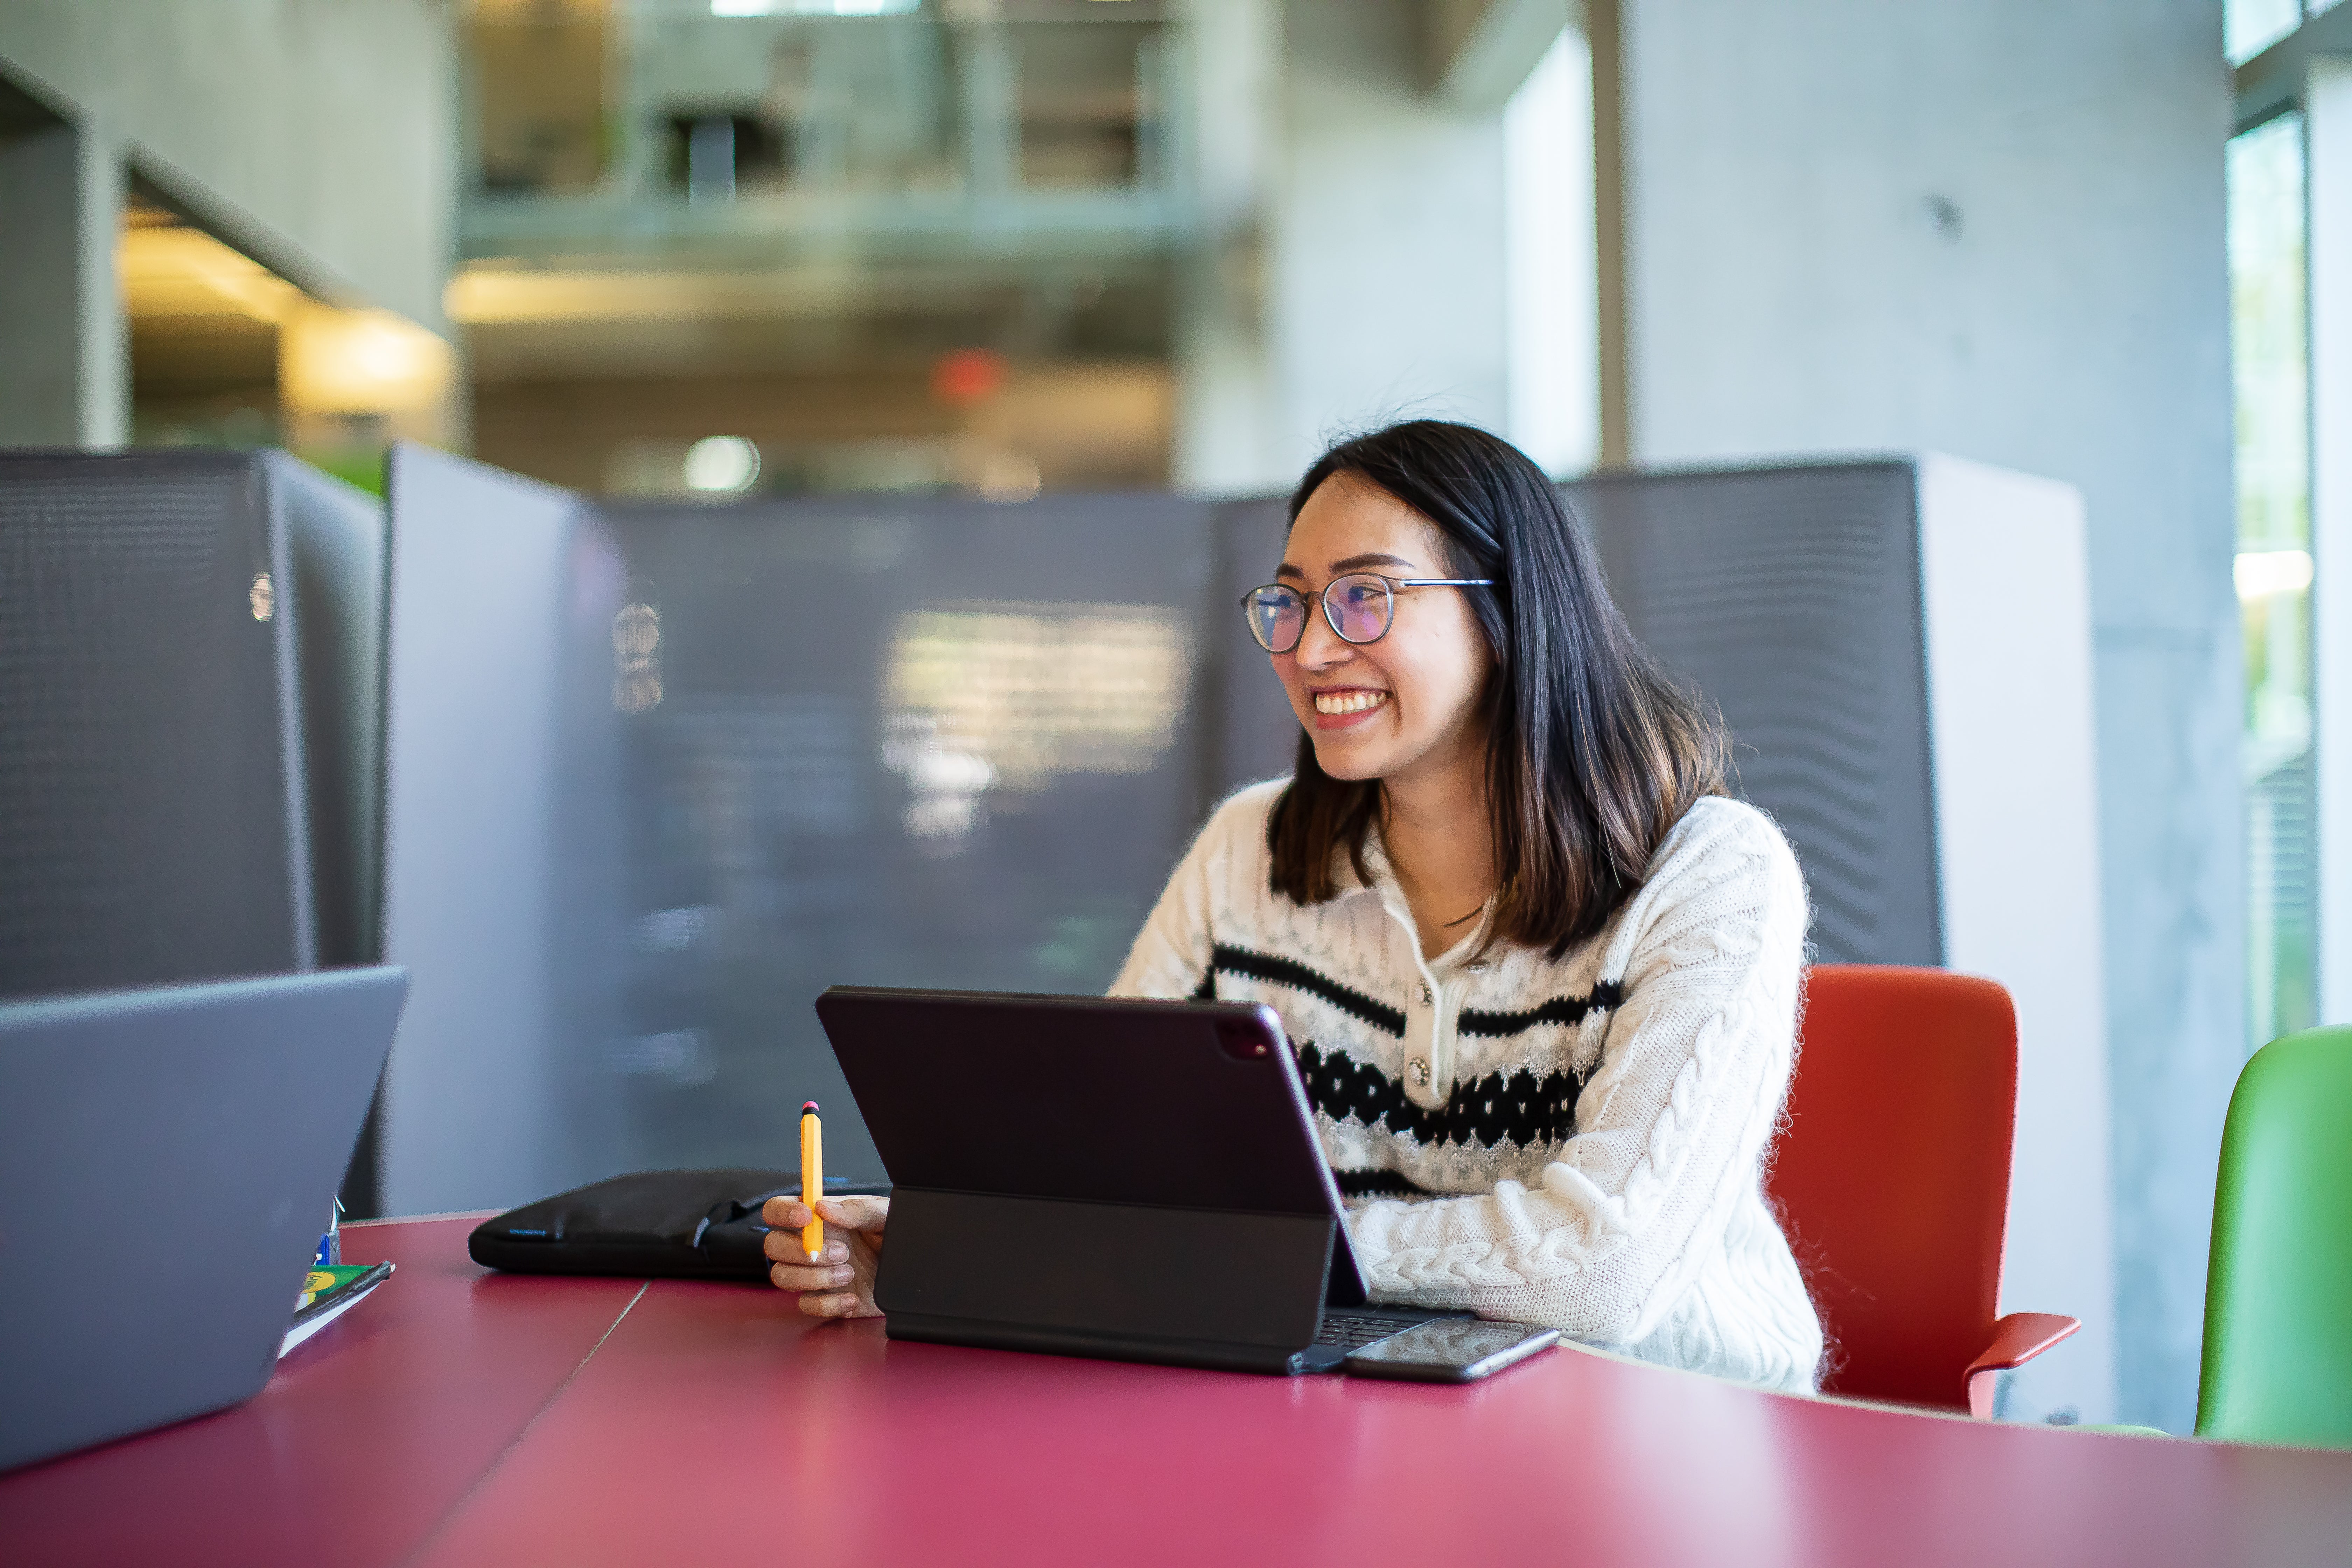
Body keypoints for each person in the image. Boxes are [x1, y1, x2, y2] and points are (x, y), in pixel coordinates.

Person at [766, 419, 1825, 1394]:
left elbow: (1603, 1269)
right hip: (1356, 1402)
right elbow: (1102, 1171)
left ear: (1509, 613)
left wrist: (1266, 1249)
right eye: (1290, 601)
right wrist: (954, 1254)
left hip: (1667, 1417)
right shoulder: (1249, 855)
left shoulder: (1710, 875)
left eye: (1366, 596)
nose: (1312, 650)